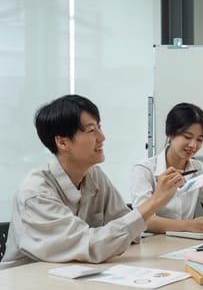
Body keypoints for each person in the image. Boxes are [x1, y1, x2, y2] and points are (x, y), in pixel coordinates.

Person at [0, 95, 183, 269]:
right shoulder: (35, 193)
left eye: (99, 127)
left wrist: (117, 233)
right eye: (91, 130)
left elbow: (129, 232)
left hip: (73, 277)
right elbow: (90, 246)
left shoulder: (94, 175)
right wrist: (154, 202)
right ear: (63, 143)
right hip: (27, 285)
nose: (102, 137)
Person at [130, 102, 203, 234]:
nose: (193, 145)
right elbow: (144, 220)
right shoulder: (144, 170)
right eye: (187, 137)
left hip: (185, 245)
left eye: (200, 140)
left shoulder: (198, 168)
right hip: (152, 245)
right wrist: (189, 225)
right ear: (171, 134)